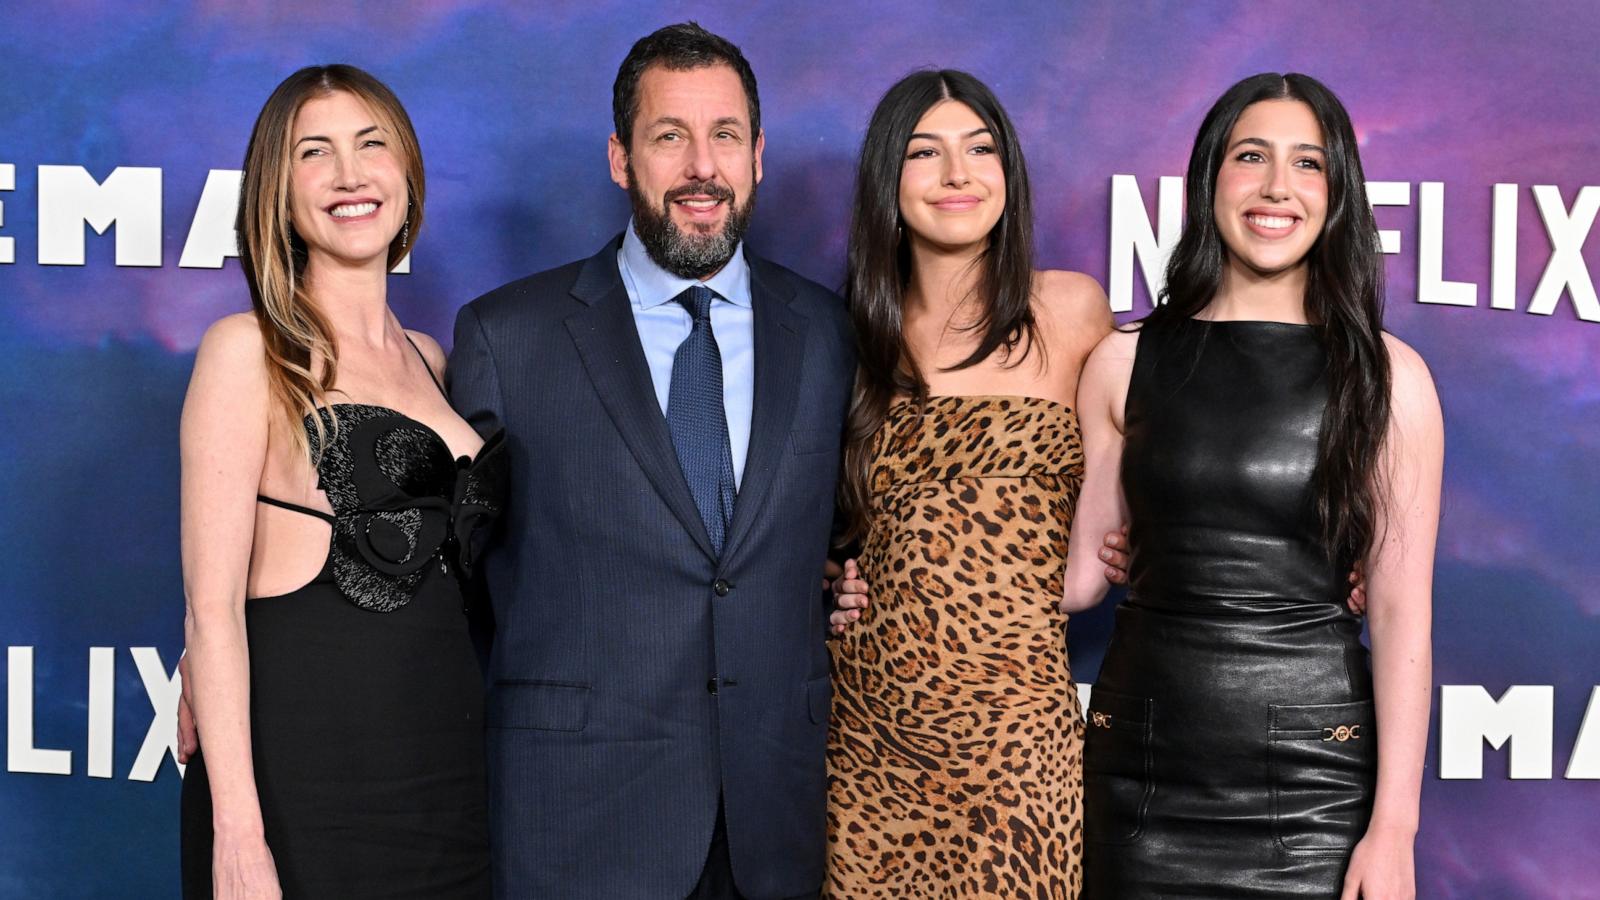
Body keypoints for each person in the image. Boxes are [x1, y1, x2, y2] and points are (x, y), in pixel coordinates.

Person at [447, 23, 854, 899]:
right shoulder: (507, 338)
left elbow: (837, 533)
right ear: (620, 159)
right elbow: (449, 585)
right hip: (578, 826)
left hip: (773, 826)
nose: (701, 167)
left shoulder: (826, 334)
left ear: (757, 157)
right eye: (670, 136)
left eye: (726, 136)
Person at [1060, 72, 1440, 898]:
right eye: (1252, 156)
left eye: (1309, 164)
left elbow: (1405, 609)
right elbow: (1079, 575)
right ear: (1209, 178)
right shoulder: (1125, 360)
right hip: (1139, 779)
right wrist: (893, 577)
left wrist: (1395, 828)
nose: (1277, 187)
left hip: (1313, 791)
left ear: (1338, 193)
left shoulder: (1387, 377)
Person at [178, 65, 500, 898]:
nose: (350, 174)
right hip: (306, 794)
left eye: (371, 144)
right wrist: (238, 838)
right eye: (313, 152)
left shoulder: (435, 359)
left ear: (408, 172)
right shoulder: (246, 351)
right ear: (276, 193)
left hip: (448, 783)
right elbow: (211, 609)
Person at [823, 70, 1113, 899]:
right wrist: (824, 580)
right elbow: (775, 516)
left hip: (1021, 744)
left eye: (980, 149)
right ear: (889, 178)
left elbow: (1168, 458)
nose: (958, 174)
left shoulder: (1070, 312)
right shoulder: (841, 338)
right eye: (926, 152)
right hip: (871, 740)